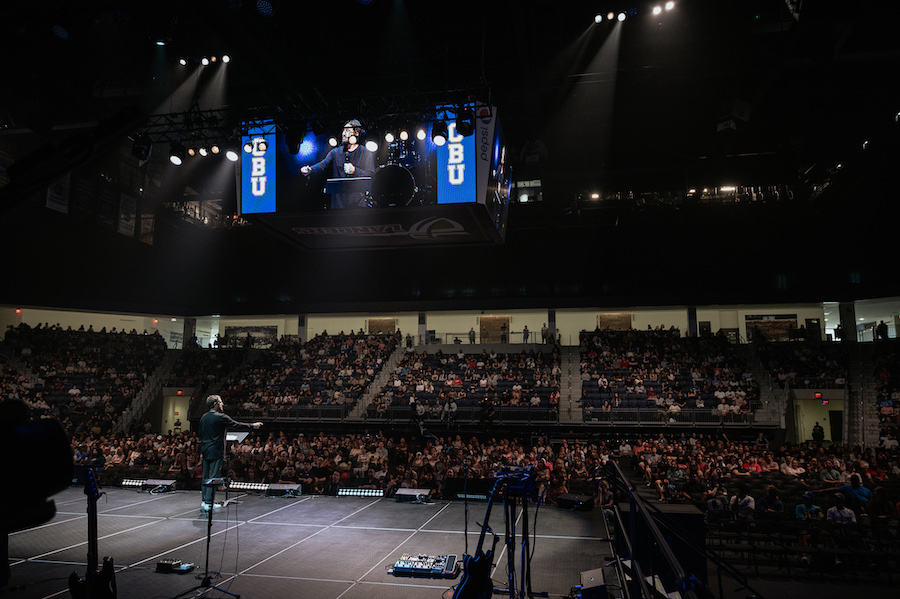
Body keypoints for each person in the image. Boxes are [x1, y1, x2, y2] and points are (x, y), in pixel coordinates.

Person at [199, 395, 262, 511]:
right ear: (215, 404)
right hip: (216, 450)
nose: (222, 404)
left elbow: (200, 433)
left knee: (206, 476)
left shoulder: (203, 417)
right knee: (213, 477)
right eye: (220, 402)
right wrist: (253, 426)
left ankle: (204, 501)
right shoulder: (220, 417)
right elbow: (237, 425)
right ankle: (209, 503)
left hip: (205, 450)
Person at [300, 119, 375, 209]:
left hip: (357, 204)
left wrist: (355, 170)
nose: (343, 133)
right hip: (338, 204)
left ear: (357, 133)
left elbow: (370, 174)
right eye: (343, 130)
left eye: (347, 130)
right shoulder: (335, 152)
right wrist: (310, 169)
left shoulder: (365, 152)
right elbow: (323, 164)